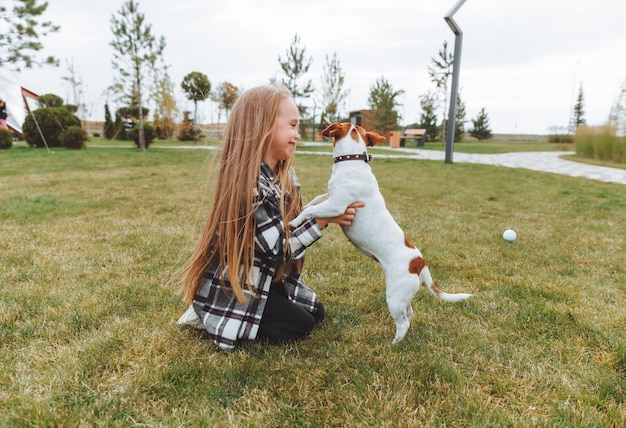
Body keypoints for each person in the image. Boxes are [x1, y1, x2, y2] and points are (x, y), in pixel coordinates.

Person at [176, 84, 364, 352]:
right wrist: (323, 219)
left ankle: (263, 305)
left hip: (266, 278)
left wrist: (324, 204)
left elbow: (292, 224)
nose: (297, 135)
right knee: (300, 325)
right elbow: (279, 248)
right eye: (292, 125)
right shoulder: (250, 185)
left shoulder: (283, 178)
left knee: (317, 313)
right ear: (262, 126)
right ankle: (212, 314)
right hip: (242, 284)